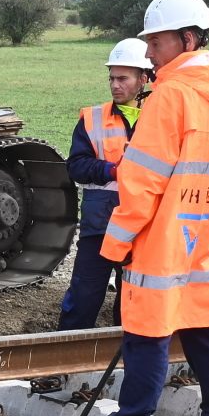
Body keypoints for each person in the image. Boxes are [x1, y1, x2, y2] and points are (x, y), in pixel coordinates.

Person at [98, 0, 209, 416]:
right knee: (208, 328)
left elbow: (141, 182)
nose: (149, 53)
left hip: (159, 243)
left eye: (157, 43)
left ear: (188, 39)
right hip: (207, 241)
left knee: (147, 334)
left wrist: (117, 244)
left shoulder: (168, 98)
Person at [58, 39, 155, 329]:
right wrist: (113, 171)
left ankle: (128, 360)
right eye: (112, 78)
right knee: (84, 296)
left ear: (143, 79)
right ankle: (66, 360)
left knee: (132, 299)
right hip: (99, 226)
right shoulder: (92, 119)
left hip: (143, 227)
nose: (115, 85)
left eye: (123, 78)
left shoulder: (160, 116)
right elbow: (76, 166)